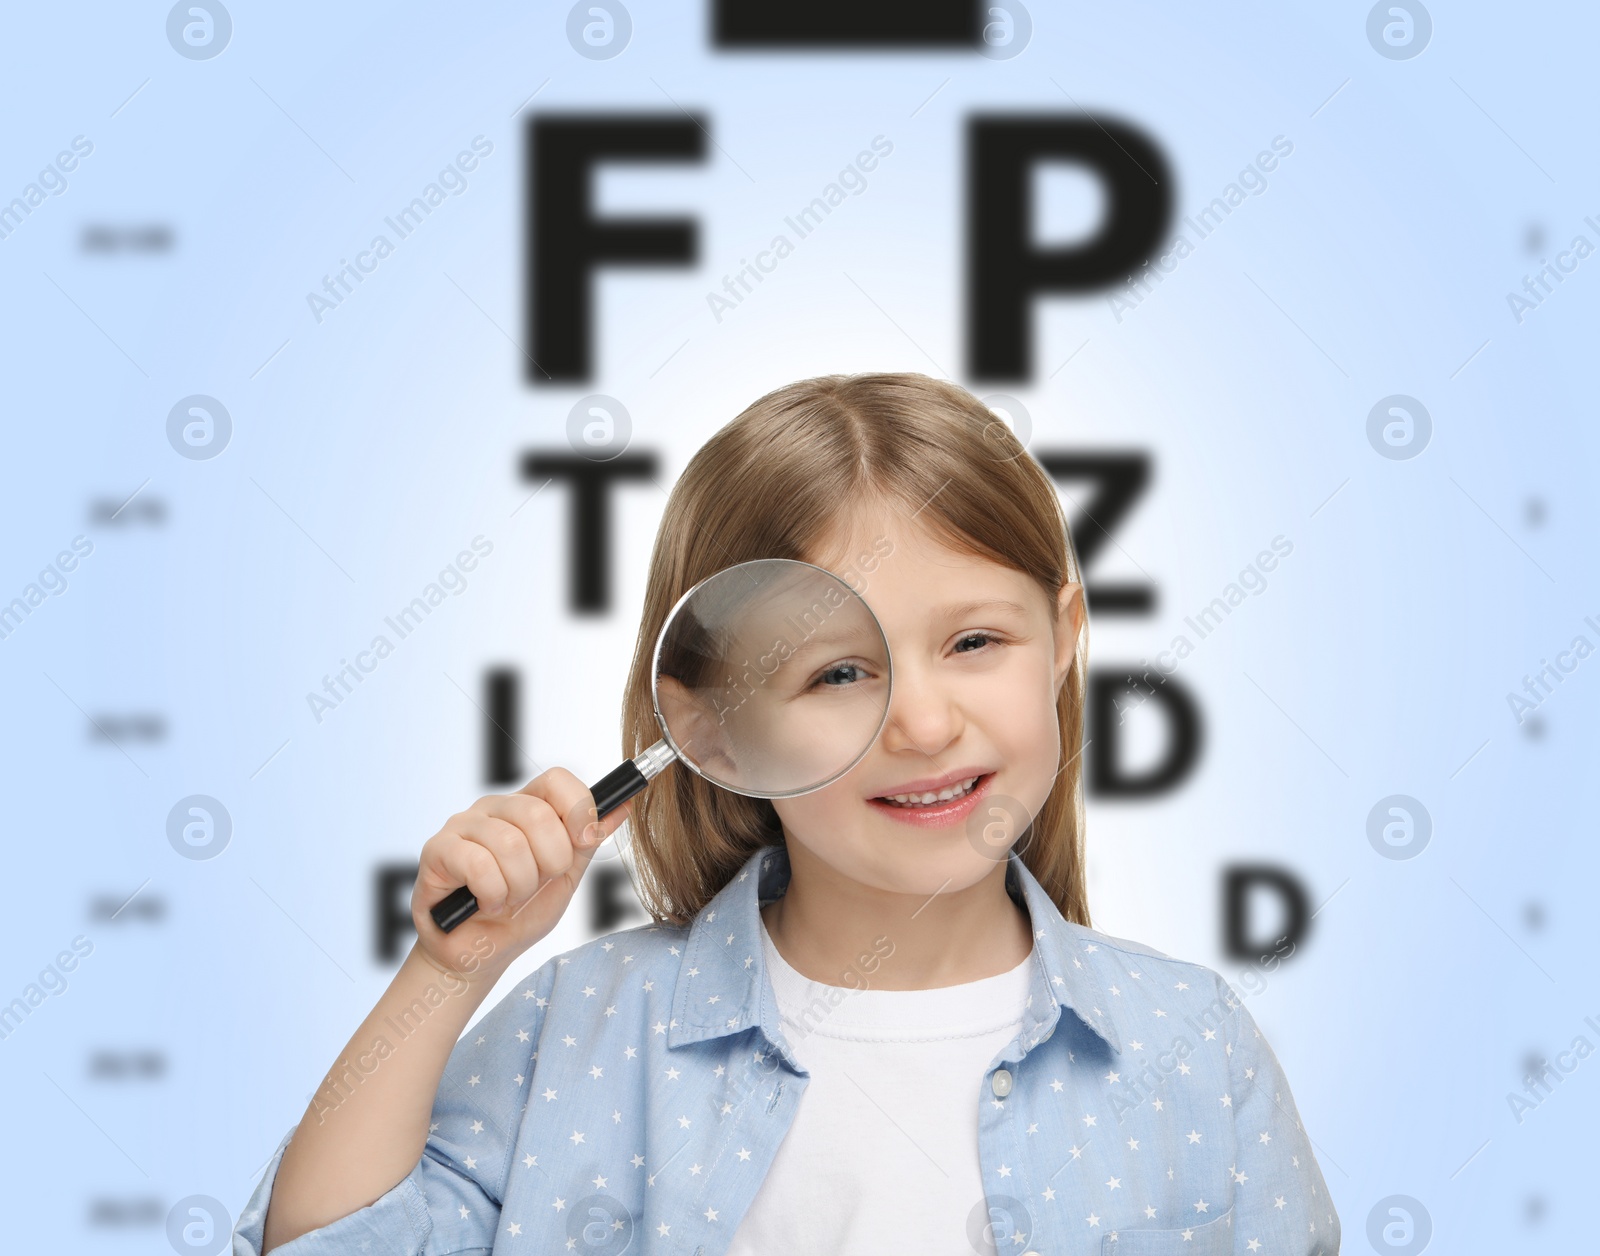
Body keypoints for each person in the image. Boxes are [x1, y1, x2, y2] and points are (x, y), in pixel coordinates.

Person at [235, 372, 1340, 1255]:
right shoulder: (586, 1026)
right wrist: (447, 969)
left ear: (1064, 638)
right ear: (714, 728)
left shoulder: (1191, 1045)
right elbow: (329, 1241)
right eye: (836, 673)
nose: (919, 722)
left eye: (972, 642)